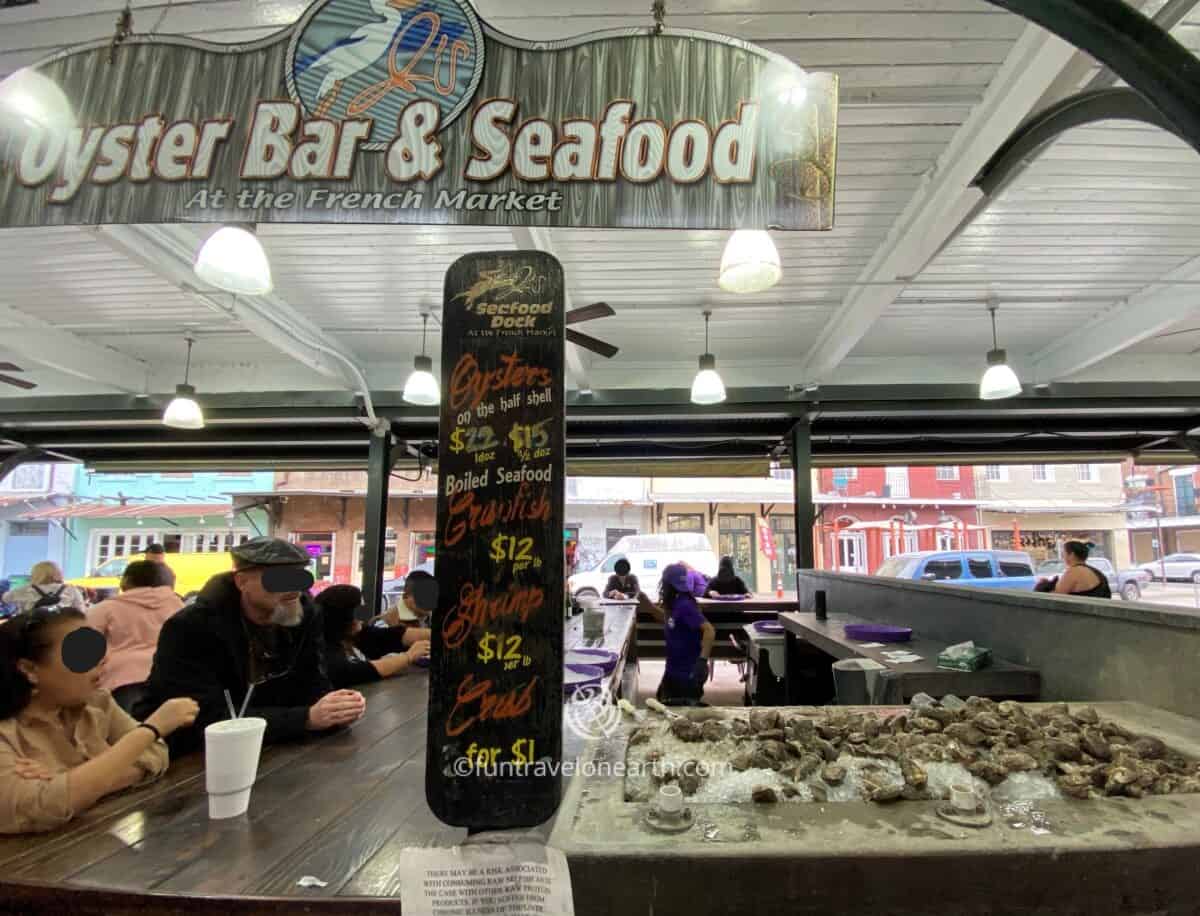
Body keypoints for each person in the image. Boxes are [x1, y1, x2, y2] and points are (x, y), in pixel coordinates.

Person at [134, 537, 366, 756]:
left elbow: (312, 680)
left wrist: (336, 707)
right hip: (188, 756)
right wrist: (305, 718)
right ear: (242, 581)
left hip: (276, 745)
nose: (294, 589)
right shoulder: (191, 628)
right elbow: (200, 717)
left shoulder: (306, 615)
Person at [0, 607, 199, 834]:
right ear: (29, 669)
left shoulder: (97, 702)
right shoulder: (7, 732)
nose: (101, 662)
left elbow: (157, 753)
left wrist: (69, 780)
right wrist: (150, 730)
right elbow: (38, 808)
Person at [87, 560, 183, 713]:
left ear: (127, 580)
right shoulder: (178, 606)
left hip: (122, 681)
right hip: (173, 677)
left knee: (129, 731)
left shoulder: (105, 609)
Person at [316, 586, 430, 688]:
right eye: (354, 614)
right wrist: (409, 656)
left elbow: (390, 636)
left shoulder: (356, 634)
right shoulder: (324, 648)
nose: (359, 620)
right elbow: (355, 672)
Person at [641, 563, 715, 706]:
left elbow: (709, 630)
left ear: (668, 585)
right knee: (663, 704)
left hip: (687, 674)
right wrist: (649, 606)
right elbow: (671, 621)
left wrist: (702, 661)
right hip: (674, 670)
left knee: (678, 716)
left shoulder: (685, 605)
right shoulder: (677, 603)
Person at [2, 562, 88, 614]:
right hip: (61, 631)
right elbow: (81, 612)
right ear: (58, 573)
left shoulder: (25, 590)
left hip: (31, 632)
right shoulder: (71, 589)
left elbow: (5, 598)